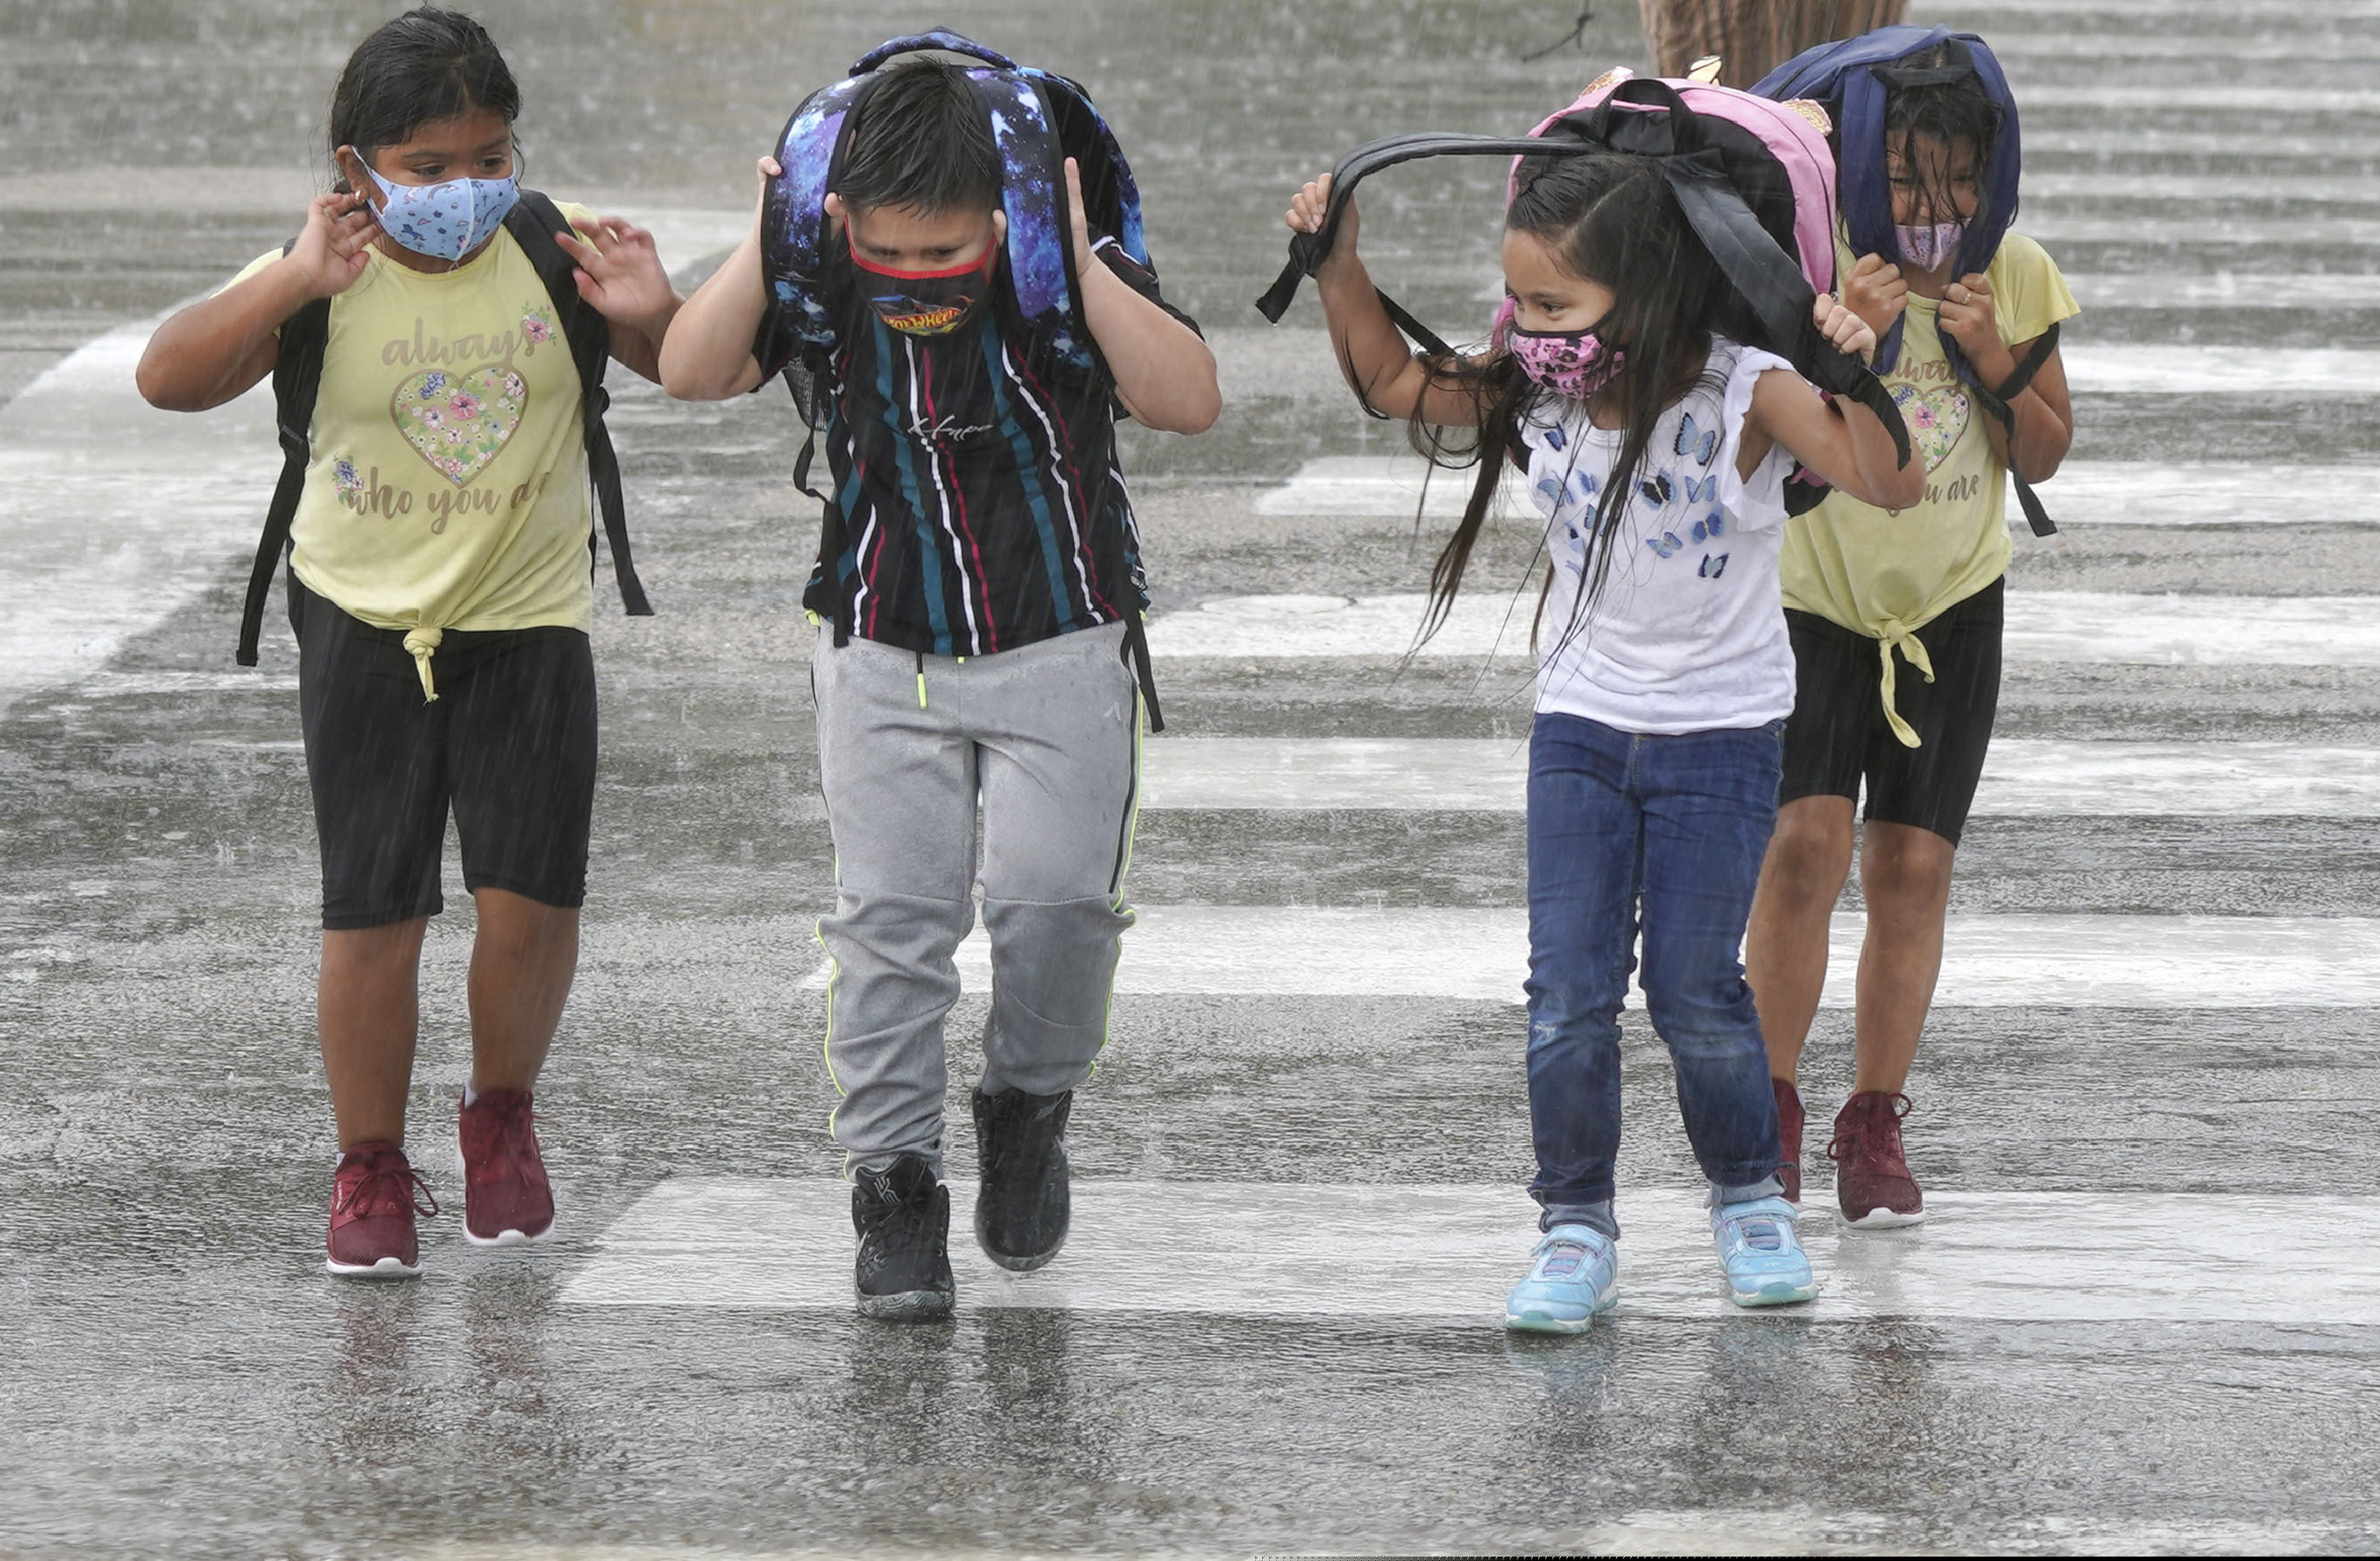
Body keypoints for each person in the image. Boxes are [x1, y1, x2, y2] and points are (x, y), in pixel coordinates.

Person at [1283, 141, 1921, 1334]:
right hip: (1580, 729)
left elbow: (1891, 483)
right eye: (1519, 303)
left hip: (1722, 738)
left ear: (1649, 287)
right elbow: (1388, 383)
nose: (1526, 330)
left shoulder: (1746, 391)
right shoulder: (1537, 389)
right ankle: (1575, 1226)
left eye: (1552, 306)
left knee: (1694, 994)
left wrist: (1857, 370)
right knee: (1567, 997)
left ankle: (1747, 1203)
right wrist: (1338, 266)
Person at [659, 49, 1218, 1322]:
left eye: (945, 254)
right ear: (843, 220)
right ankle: (896, 1190)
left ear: (1005, 219)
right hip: (880, 643)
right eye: (890, 255)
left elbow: (1190, 399)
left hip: (1063, 638)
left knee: (1057, 908)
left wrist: (1075, 259)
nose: (915, 283)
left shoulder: (1050, 276)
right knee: (890, 931)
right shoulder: (820, 277)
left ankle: (1026, 1105)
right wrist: (768, 236)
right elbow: (693, 369)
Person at [134, 7, 682, 1277]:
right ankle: (369, 1166)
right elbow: (169, 376)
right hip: (362, 617)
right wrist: (292, 280)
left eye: (491, 156)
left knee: (530, 904)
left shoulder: (553, 248)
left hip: (530, 612)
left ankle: (501, 1115)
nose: (465, 189)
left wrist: (658, 306)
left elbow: (700, 367)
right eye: (428, 168)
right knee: (374, 913)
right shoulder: (321, 265)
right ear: (356, 170)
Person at [1743, 40, 2077, 1228]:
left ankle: (1873, 1116)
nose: (1934, 212)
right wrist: (1846, 338)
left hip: (1952, 606)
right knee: (1801, 850)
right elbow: (1762, 428)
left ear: (1995, 176)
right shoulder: (1818, 270)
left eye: (1958, 182)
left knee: (1912, 866)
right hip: (1814, 598)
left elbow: (2044, 447)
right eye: (1907, 179)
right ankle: (1767, 1109)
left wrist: (1993, 359)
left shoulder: (2015, 275)